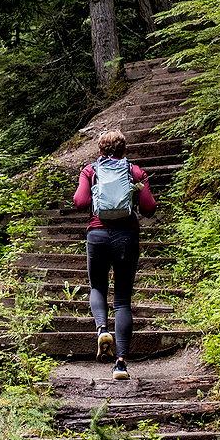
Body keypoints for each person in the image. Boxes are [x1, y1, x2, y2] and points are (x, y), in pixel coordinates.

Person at [72, 130, 157, 381]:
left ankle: (101, 330)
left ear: (100, 151)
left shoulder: (90, 171)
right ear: (124, 150)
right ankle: (121, 364)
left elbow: (79, 202)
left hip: (97, 235)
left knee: (97, 286)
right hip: (126, 237)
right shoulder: (135, 171)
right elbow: (149, 208)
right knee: (122, 301)